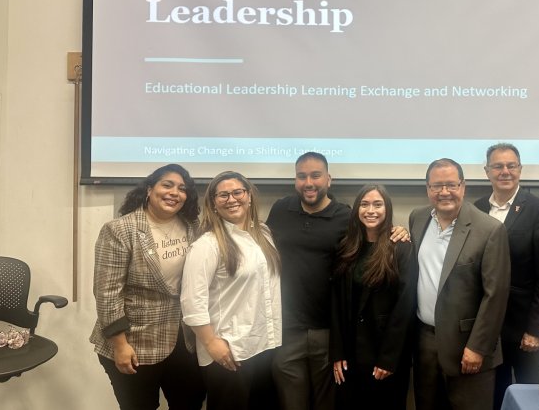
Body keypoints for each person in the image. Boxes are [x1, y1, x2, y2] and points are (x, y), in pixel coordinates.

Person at [267, 152, 409, 410]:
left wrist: (398, 230)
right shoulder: (279, 210)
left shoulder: (345, 216)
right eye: (302, 176)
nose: (309, 182)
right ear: (295, 180)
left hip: (329, 332)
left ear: (329, 179)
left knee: (329, 404)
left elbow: (373, 233)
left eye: (316, 175)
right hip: (286, 330)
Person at [91, 164, 205, 410]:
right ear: (149, 190)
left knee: (190, 403)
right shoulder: (120, 230)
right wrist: (120, 345)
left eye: (182, 188)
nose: (175, 192)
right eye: (167, 185)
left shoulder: (193, 226)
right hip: (134, 341)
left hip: (184, 340)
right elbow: (107, 293)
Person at [410, 158, 510, 410]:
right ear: (428, 189)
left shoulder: (489, 230)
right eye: (437, 186)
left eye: (451, 185)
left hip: (468, 347)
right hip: (425, 342)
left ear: (463, 186)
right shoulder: (417, 219)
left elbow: (495, 296)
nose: (444, 192)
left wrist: (477, 348)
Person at [181, 171, 281, 409]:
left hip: (263, 345)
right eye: (223, 195)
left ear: (249, 197)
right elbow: (192, 302)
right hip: (228, 351)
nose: (232, 199)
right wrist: (211, 343)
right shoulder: (207, 245)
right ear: (214, 203)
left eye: (237, 192)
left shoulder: (263, 234)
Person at [475, 143, 539, 408]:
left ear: (520, 170)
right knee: (493, 393)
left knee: (528, 395)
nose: (505, 172)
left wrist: (535, 330)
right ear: (487, 171)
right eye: (498, 166)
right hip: (487, 327)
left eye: (511, 166)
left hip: (524, 327)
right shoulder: (475, 209)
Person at [330, 185, 418, 410]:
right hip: (350, 353)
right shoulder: (346, 247)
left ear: (387, 209)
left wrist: (389, 358)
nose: (371, 210)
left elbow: (404, 307)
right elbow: (337, 303)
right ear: (357, 209)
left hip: (383, 355)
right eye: (365, 204)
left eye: (378, 204)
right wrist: (338, 352)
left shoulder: (400, 248)